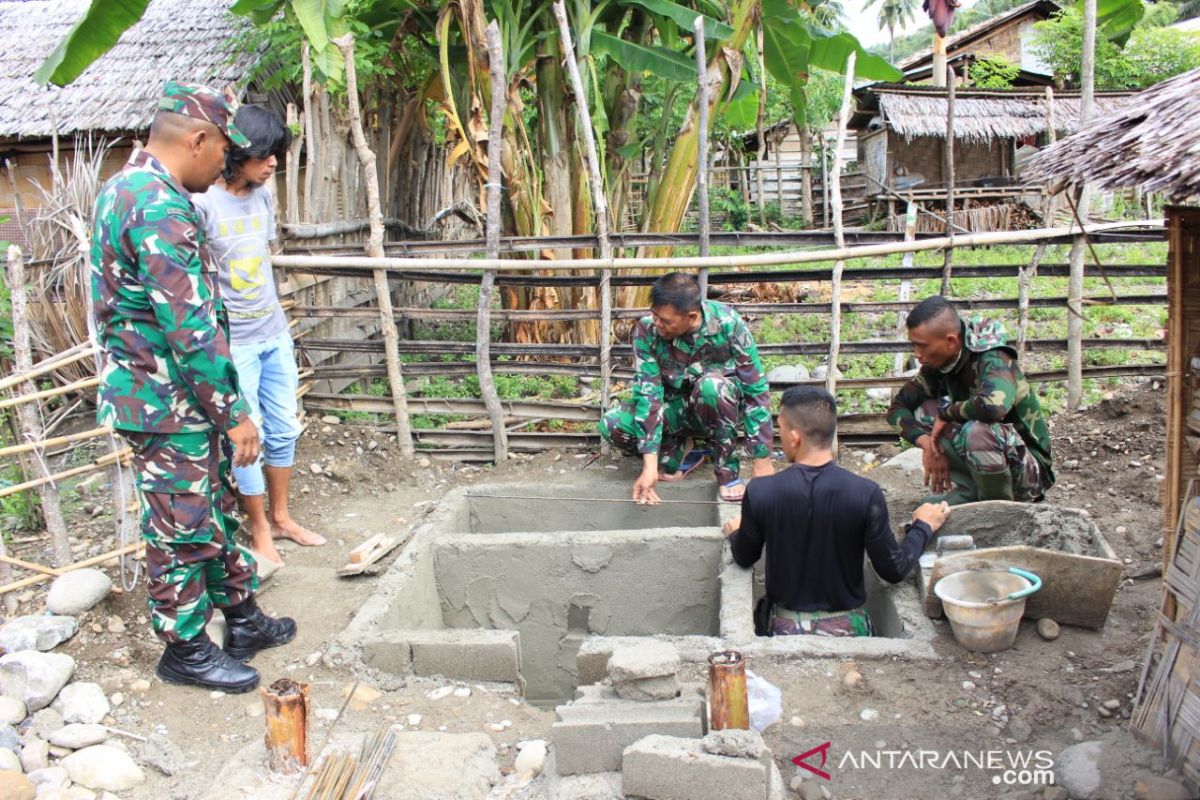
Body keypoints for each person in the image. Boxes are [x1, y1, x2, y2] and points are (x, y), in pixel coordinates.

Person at [91, 82, 296, 693]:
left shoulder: (134, 188)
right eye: (223, 149)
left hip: (178, 399)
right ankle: (185, 650)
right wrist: (235, 414)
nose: (226, 163)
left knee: (212, 508)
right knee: (181, 527)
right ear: (197, 140)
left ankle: (241, 618)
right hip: (166, 400)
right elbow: (191, 328)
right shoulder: (157, 206)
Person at [192, 104, 324, 568]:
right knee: (249, 438)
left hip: (273, 331)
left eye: (276, 155)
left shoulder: (264, 197)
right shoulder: (203, 203)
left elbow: (261, 260)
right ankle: (259, 527)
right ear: (238, 152)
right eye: (266, 154)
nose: (273, 164)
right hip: (236, 342)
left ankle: (283, 516)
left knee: (285, 426)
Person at [722, 387, 949, 637]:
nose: (779, 436)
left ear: (795, 437)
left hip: (785, 632)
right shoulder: (865, 493)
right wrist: (922, 527)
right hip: (850, 633)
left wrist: (736, 533)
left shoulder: (761, 492)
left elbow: (745, 557)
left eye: (781, 428)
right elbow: (894, 569)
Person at [599, 272, 774, 504]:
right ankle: (683, 450)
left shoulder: (729, 324)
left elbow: (755, 391)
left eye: (666, 321)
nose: (658, 323)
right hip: (674, 410)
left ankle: (726, 470)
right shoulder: (648, 329)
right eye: (655, 315)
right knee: (612, 424)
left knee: (711, 387)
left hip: (718, 408)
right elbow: (648, 394)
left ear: (691, 316)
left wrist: (762, 461)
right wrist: (649, 465)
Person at [886, 296, 1054, 505]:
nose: (917, 354)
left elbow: (993, 407)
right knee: (925, 410)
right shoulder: (937, 366)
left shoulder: (991, 356)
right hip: (988, 459)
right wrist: (928, 444)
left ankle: (999, 509)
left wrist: (947, 413)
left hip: (1029, 473)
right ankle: (973, 491)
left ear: (951, 341)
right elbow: (897, 408)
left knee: (977, 431)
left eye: (922, 346)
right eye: (914, 345)